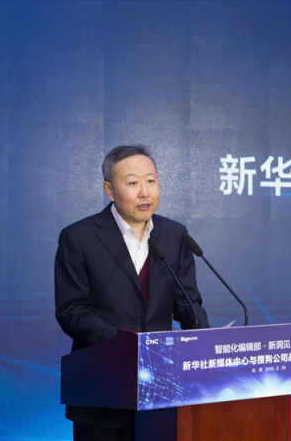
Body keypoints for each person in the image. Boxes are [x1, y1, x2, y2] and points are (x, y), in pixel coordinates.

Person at [55, 145, 209, 441]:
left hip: (162, 392)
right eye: (133, 183)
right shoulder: (79, 237)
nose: (145, 192)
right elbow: (71, 311)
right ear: (109, 190)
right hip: (102, 393)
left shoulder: (175, 235)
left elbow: (188, 302)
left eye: (151, 181)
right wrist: (127, 347)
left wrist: (204, 344)